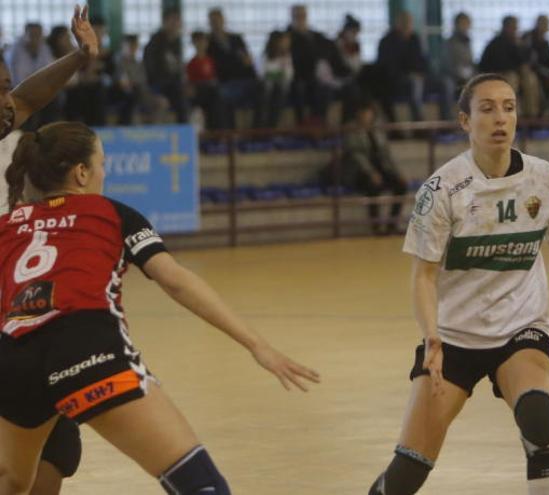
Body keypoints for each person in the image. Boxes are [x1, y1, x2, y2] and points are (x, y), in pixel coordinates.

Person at [0, 120, 321, 494]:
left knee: (14, 482)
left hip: (12, 357)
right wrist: (256, 345)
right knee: (199, 483)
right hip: (85, 345)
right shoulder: (109, 213)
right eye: (102, 163)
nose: (105, 172)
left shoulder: (7, 226)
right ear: (82, 173)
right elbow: (176, 280)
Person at [367, 73, 549, 495]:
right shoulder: (442, 190)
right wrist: (431, 337)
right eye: (487, 108)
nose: (501, 118)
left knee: (538, 416)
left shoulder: (542, 177)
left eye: (509, 107)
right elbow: (423, 276)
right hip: (454, 337)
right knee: (409, 469)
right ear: (465, 121)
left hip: (520, 329)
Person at [0, 7, 101, 494]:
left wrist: (77, 57)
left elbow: (28, 96)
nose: (8, 100)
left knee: (57, 447)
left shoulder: (3, 122)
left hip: (16, 309)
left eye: (5, 86)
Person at [341, 99, 407, 236]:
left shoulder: (378, 129)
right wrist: (371, 173)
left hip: (381, 168)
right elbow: (356, 155)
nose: (366, 116)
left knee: (401, 185)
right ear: (358, 114)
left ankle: (392, 224)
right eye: (363, 113)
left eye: (368, 113)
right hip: (360, 171)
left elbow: (386, 154)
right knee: (373, 186)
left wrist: (396, 172)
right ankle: (376, 227)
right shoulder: (351, 129)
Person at [207, 7, 265, 129]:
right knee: (222, 96)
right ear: (209, 23)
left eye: (219, 20)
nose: (216, 24)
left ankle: (258, 131)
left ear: (224, 20)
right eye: (213, 21)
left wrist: (253, 73)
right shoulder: (208, 43)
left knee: (264, 89)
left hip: (244, 80)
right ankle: (229, 134)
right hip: (225, 82)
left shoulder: (236, 39)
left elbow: (247, 60)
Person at [479, 16, 541, 118]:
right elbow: (494, 64)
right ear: (505, 27)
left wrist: (521, 47)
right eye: (512, 27)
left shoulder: (517, 43)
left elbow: (525, 61)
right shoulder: (496, 43)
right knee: (512, 79)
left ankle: (531, 114)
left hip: (516, 74)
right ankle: (512, 114)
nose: (515, 30)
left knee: (530, 79)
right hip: (498, 74)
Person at [376, 11, 427, 123]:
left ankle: (438, 127)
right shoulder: (387, 41)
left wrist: (418, 72)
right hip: (394, 80)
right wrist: (408, 73)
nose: (407, 26)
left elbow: (421, 61)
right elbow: (387, 66)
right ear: (397, 24)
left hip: (415, 76)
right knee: (414, 83)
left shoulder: (415, 39)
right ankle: (419, 122)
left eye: (409, 23)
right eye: (404, 23)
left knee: (442, 83)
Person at [143, 7, 188, 124]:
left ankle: (184, 133)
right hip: (158, 85)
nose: (175, 25)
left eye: (177, 21)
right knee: (170, 101)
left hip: (173, 85)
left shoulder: (177, 43)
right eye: (172, 21)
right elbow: (150, 69)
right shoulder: (155, 42)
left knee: (185, 98)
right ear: (165, 22)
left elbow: (179, 69)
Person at [288, 4, 331, 124]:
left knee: (325, 89)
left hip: (315, 75)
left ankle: (319, 123)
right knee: (299, 89)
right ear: (292, 17)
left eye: (303, 15)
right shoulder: (286, 36)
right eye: (297, 16)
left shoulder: (316, 36)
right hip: (296, 76)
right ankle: (301, 125)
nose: (301, 19)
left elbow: (327, 51)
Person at [114, 34, 167, 125]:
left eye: (135, 46)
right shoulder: (120, 64)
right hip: (129, 95)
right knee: (133, 106)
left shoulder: (139, 64)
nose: (133, 48)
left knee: (162, 102)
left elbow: (143, 82)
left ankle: (155, 130)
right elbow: (123, 83)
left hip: (143, 93)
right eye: (131, 46)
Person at [521, 15, 549, 117]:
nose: (547, 26)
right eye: (544, 23)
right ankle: (533, 116)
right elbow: (529, 60)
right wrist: (548, 74)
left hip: (544, 72)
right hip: (533, 71)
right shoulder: (528, 37)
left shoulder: (545, 42)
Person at [185, 31, 224, 130]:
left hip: (211, 93)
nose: (201, 44)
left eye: (203, 41)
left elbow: (214, 78)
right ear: (194, 43)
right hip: (199, 93)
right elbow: (190, 83)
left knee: (218, 100)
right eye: (198, 41)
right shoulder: (191, 63)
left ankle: (218, 133)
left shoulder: (210, 61)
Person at [439, 12, 475, 120]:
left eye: (467, 24)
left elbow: (471, 62)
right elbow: (446, 63)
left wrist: (471, 72)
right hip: (451, 76)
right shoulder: (449, 42)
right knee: (447, 86)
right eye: (463, 24)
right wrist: (459, 73)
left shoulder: (468, 42)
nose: (465, 27)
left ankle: (473, 120)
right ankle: (447, 120)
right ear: (456, 25)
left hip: (467, 76)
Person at [261, 31, 294, 128]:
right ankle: (262, 127)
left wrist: (274, 75)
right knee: (267, 88)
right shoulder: (266, 56)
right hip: (267, 87)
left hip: (281, 87)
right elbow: (263, 74)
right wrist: (278, 74)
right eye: (284, 41)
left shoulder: (287, 56)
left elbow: (289, 74)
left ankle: (273, 126)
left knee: (280, 89)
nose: (287, 44)